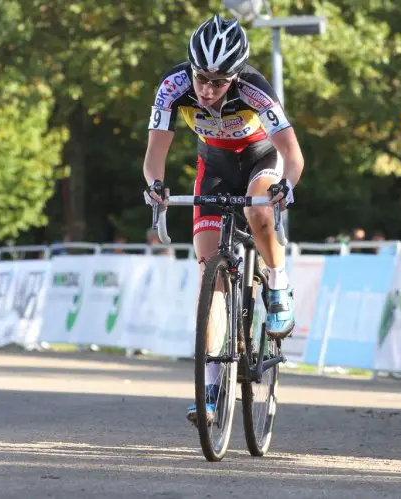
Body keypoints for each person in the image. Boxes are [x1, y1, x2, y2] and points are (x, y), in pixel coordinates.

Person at [141, 15, 305, 424]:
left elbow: (293, 153)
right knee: (208, 272)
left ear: (235, 76)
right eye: (202, 79)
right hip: (213, 166)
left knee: (257, 208)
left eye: (219, 82)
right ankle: (212, 387)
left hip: (261, 160)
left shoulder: (255, 89)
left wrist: (287, 183)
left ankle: (278, 280)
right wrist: (157, 186)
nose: (208, 90)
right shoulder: (172, 87)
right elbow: (154, 157)